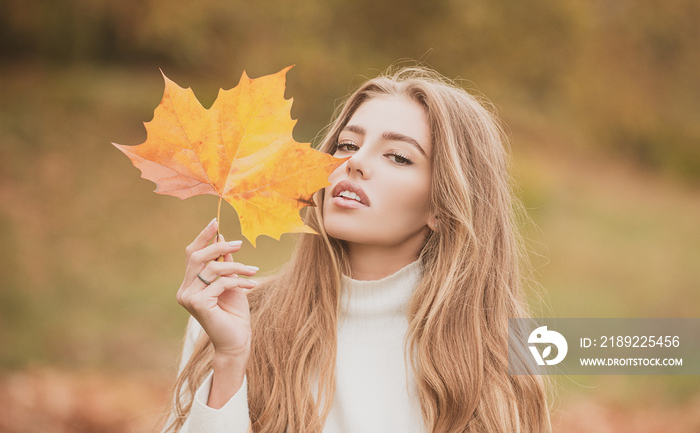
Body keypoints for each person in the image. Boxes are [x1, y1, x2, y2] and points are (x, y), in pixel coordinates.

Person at [160, 66, 552, 432]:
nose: (355, 163)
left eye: (398, 156)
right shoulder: (231, 315)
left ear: (443, 204)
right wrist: (231, 360)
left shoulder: (501, 352)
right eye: (347, 144)